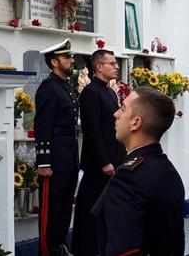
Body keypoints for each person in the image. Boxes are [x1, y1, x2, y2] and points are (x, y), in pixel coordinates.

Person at [92, 87, 185, 256]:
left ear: (135, 122)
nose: (116, 114)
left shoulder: (128, 178)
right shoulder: (167, 170)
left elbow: (124, 249)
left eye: (123, 109)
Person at [72, 49, 126, 256]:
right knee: (90, 209)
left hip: (115, 158)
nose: (116, 66)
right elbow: (92, 130)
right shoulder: (90, 93)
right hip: (98, 165)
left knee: (109, 210)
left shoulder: (110, 92)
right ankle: (85, 249)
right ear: (99, 67)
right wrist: (104, 162)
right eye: (112, 63)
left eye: (116, 63)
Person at [35, 38, 79, 256]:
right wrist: (44, 162)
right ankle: (49, 251)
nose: (72, 60)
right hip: (53, 161)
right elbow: (43, 126)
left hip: (69, 158)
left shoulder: (67, 88)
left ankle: (61, 247)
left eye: (71, 56)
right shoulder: (49, 89)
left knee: (63, 210)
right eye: (67, 57)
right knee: (51, 211)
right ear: (54, 62)